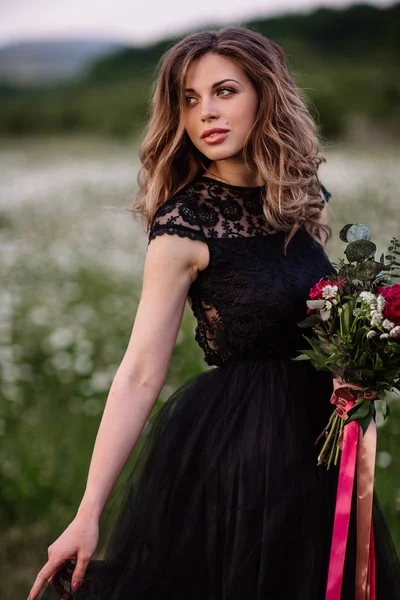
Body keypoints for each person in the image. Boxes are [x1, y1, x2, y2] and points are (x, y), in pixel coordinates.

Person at [28, 27, 400, 600]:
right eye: (190, 98)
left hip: (322, 445)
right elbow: (139, 372)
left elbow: (320, 315)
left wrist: (358, 369)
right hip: (245, 451)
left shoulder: (298, 198)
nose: (206, 113)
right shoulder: (184, 225)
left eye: (224, 91)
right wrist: (88, 511)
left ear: (265, 95)